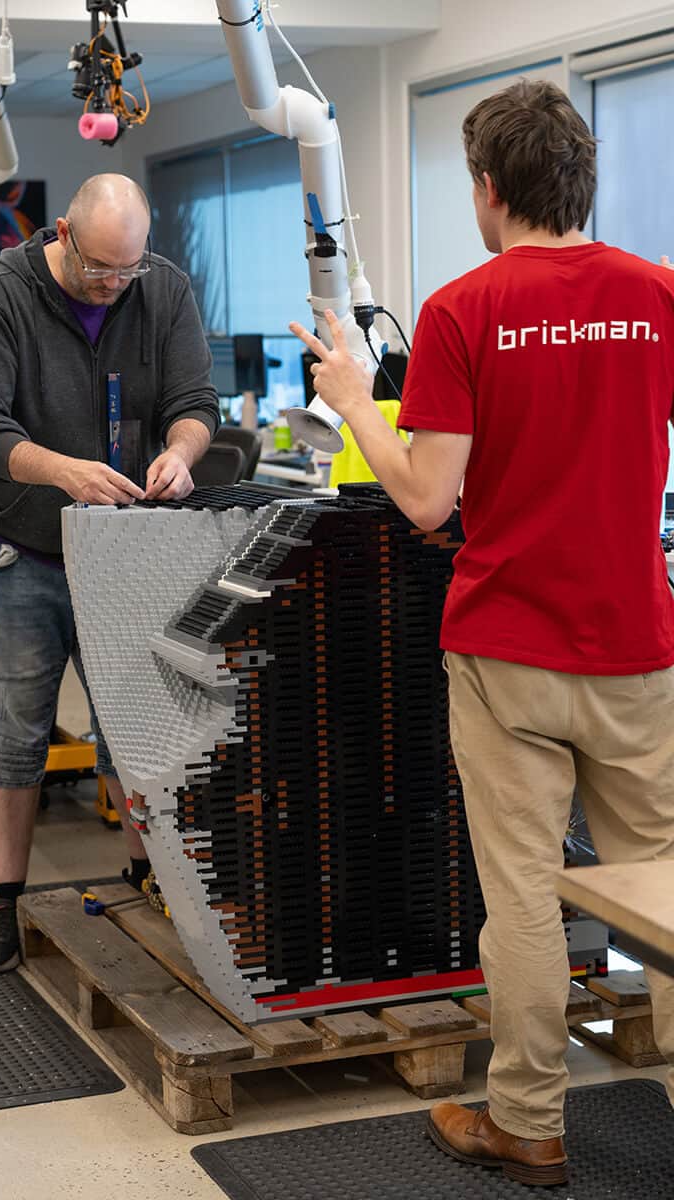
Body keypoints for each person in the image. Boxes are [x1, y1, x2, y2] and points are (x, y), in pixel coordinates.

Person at [291, 79, 674, 1188]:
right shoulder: (657, 295)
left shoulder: (464, 310)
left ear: (490, 189)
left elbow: (424, 500)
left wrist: (354, 399)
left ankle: (529, 1125)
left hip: (508, 648)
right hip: (635, 644)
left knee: (522, 898)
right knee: (662, 892)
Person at [0, 173, 219, 974]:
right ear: (63, 234)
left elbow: (195, 400)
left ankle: (146, 880)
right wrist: (61, 470)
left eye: (128, 269)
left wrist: (181, 452)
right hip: (14, 550)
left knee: (137, 728)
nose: (113, 284)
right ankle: (4, 903)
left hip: (124, 553)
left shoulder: (160, 288)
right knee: (9, 732)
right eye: (100, 268)